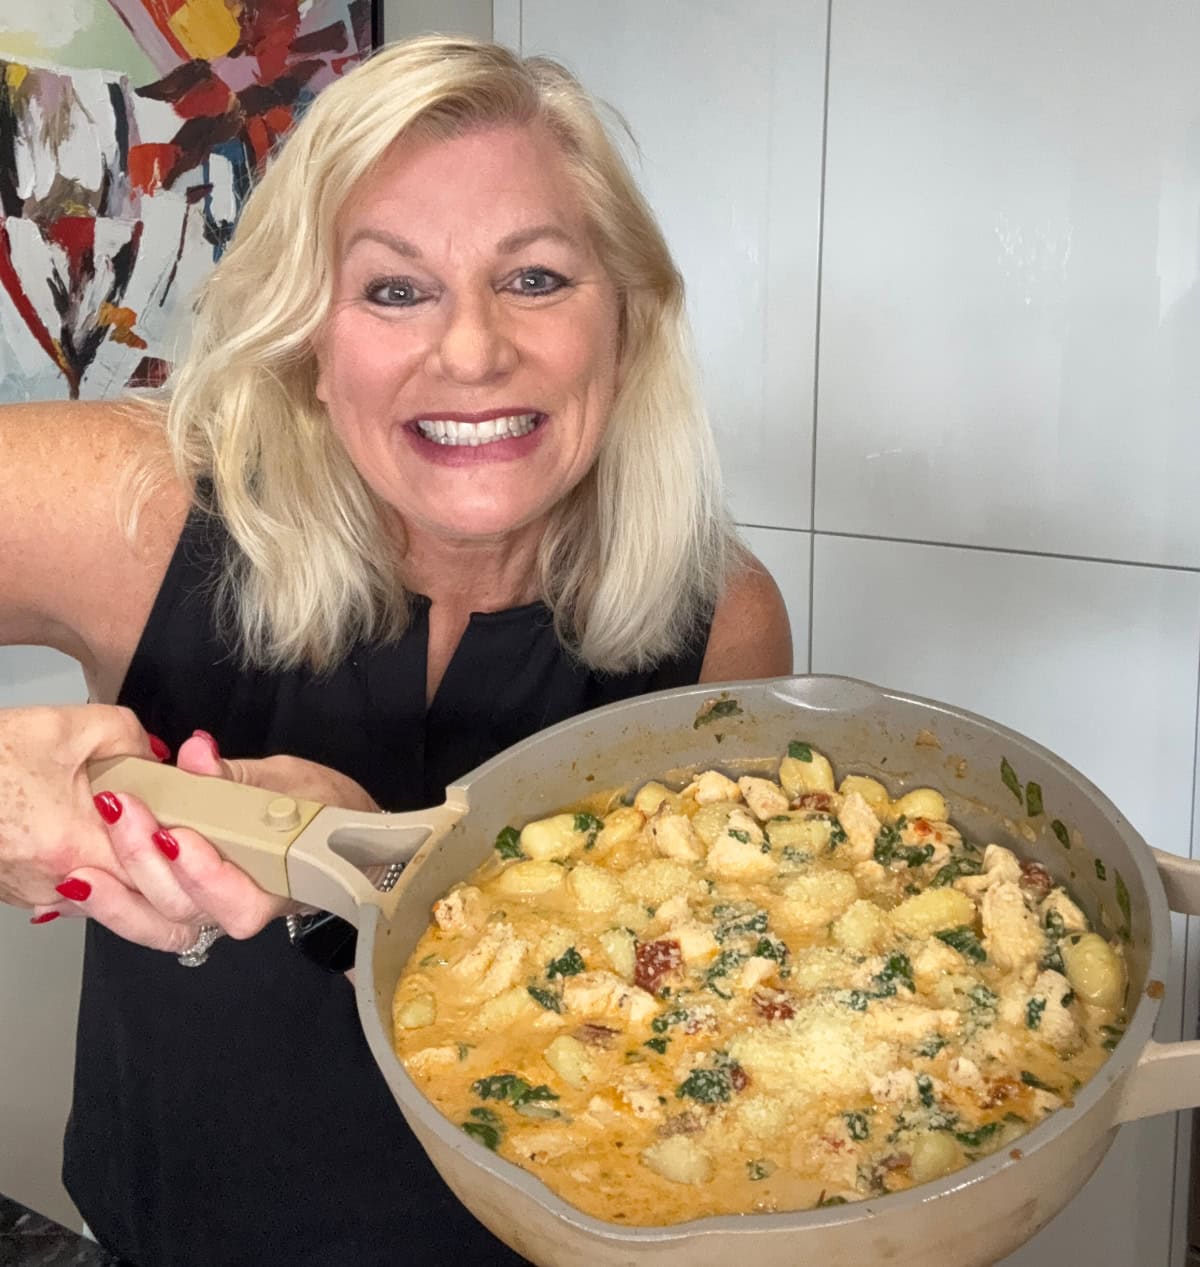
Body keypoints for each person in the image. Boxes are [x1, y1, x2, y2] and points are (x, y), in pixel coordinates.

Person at [0, 35, 791, 1267]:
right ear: (308, 339)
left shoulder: (726, 619)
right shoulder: (138, 503)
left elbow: (697, 1010)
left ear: (626, 323)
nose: (471, 351)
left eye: (535, 278)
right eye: (393, 290)